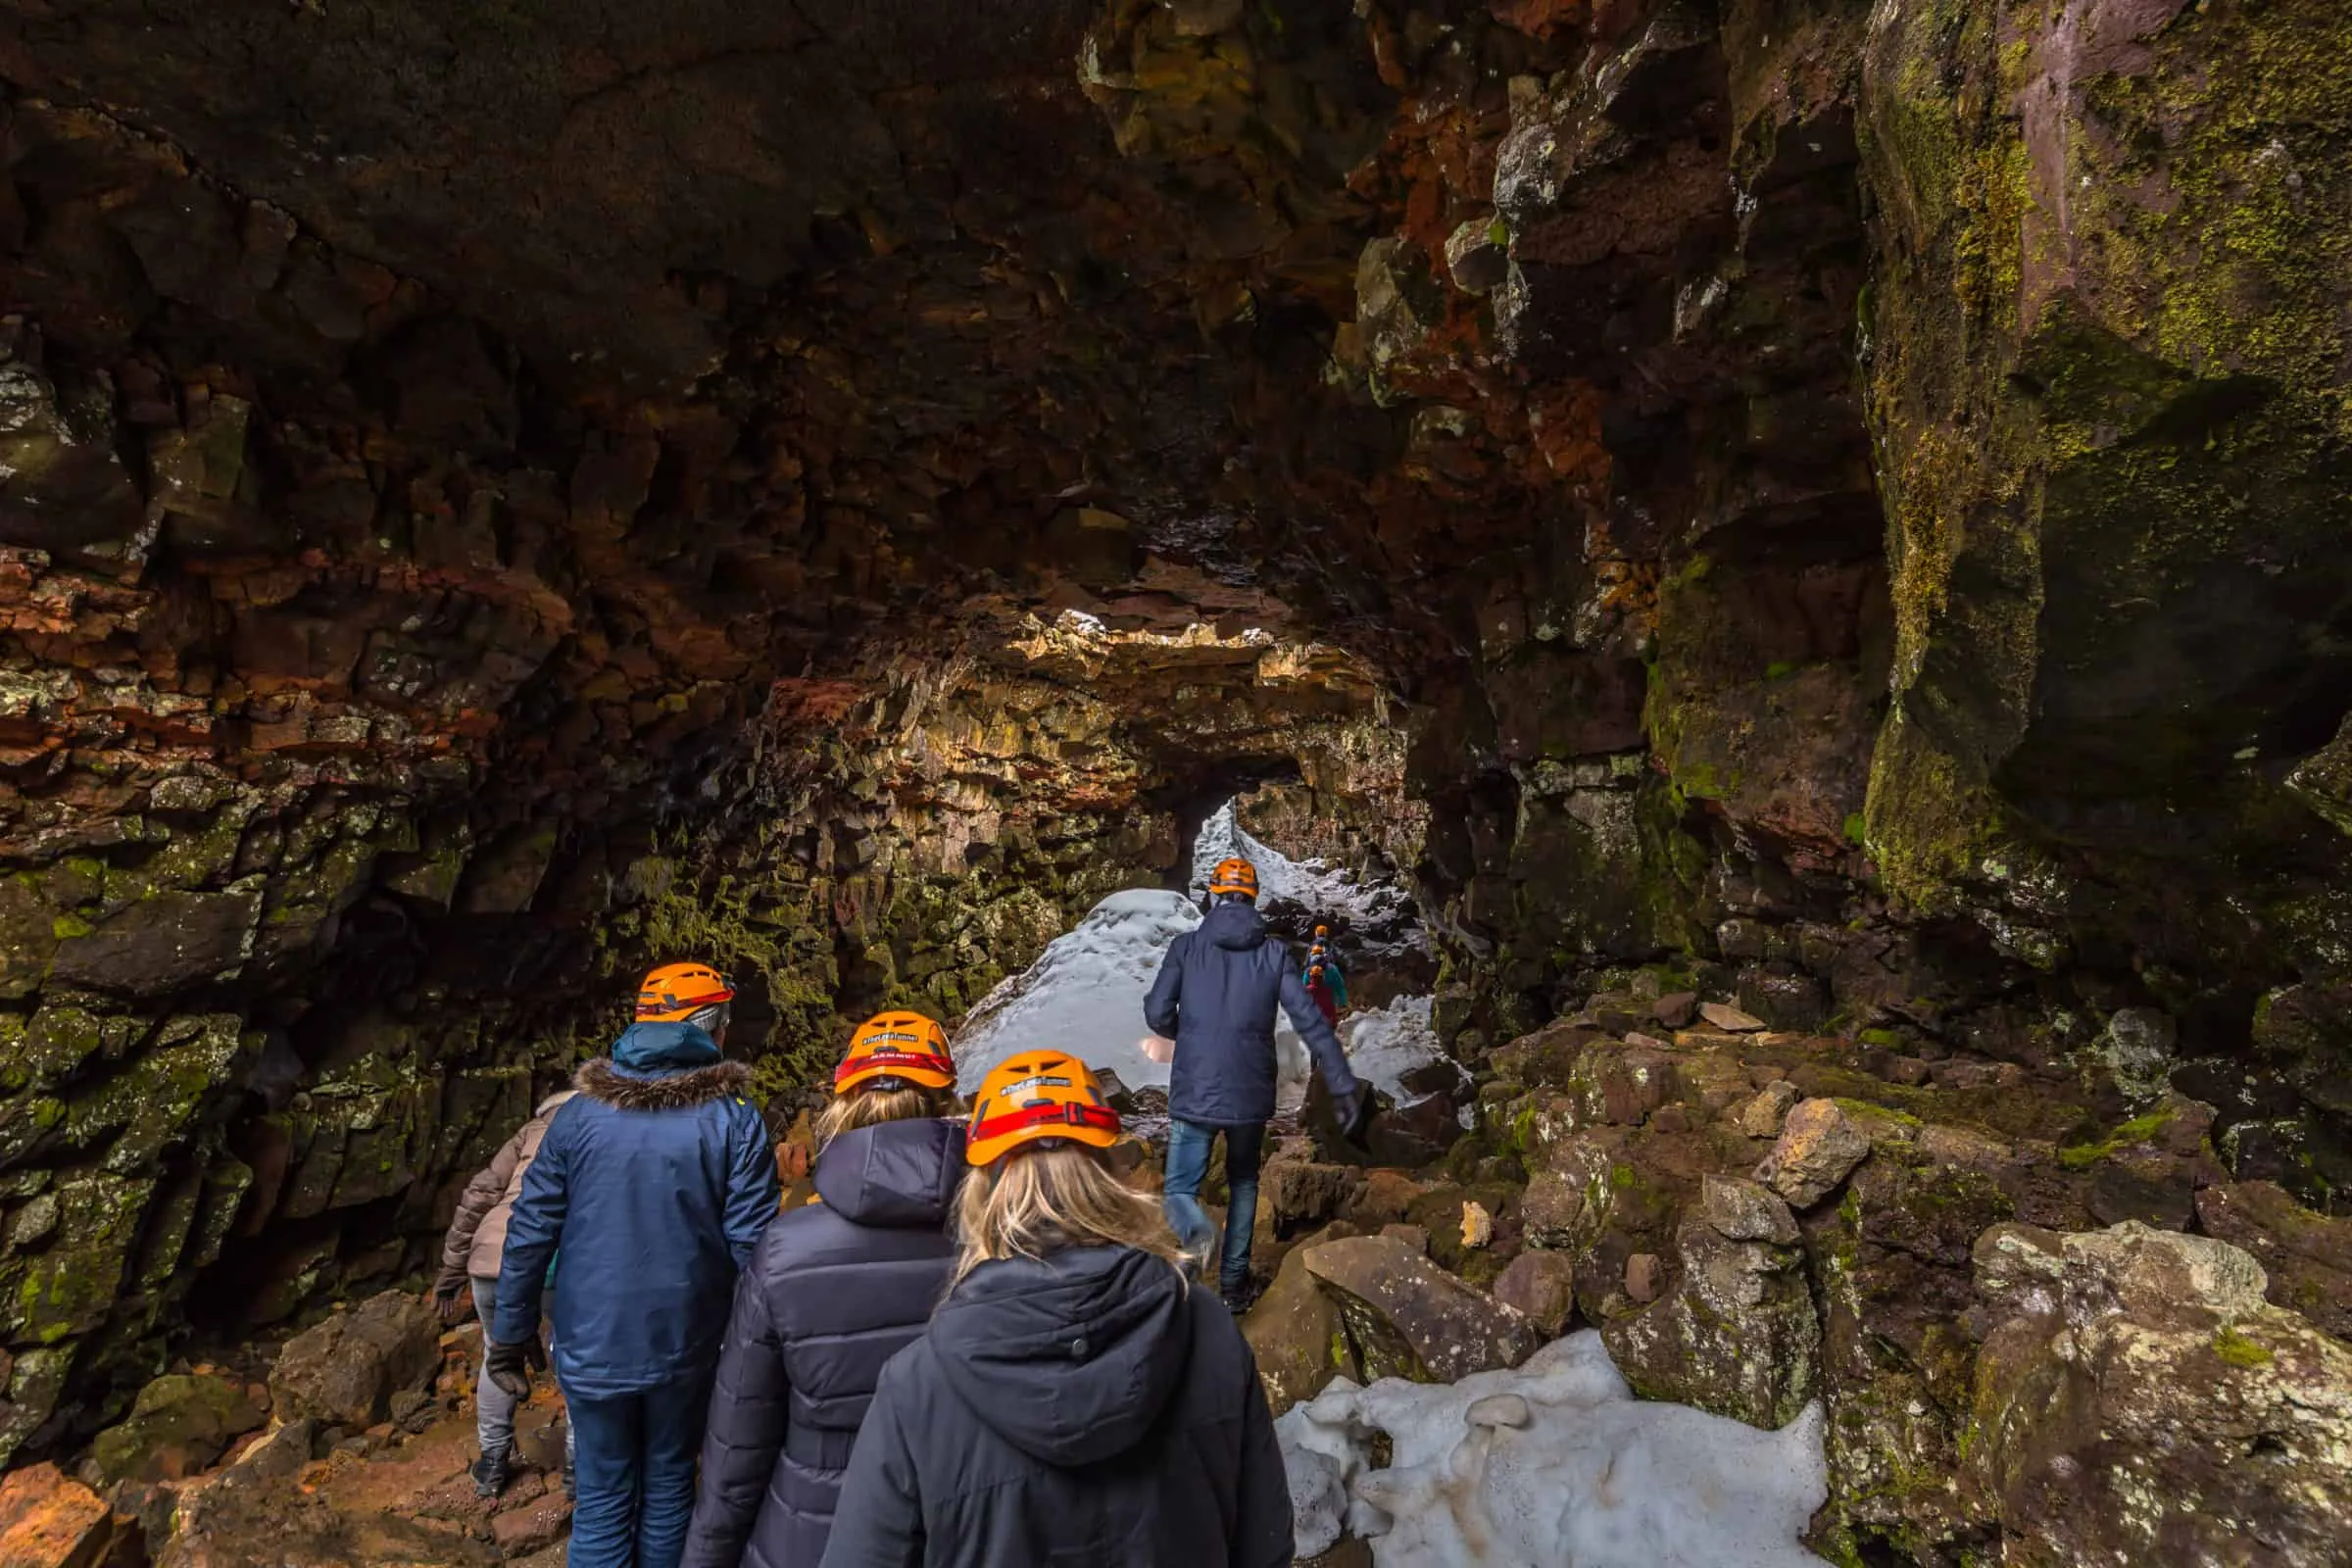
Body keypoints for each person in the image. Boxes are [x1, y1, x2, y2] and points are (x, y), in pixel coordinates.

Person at [817, 1050, 1295, 1568]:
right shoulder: (1207, 1329)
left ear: (982, 1190)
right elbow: (1264, 1542)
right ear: (1110, 1174)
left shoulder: (917, 1383)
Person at [489, 961, 781, 1568]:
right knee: (672, 1484)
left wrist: (509, 1336)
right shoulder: (735, 1121)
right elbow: (755, 1251)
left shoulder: (577, 1117)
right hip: (687, 1344)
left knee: (601, 1498)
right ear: (713, 1026)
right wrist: (769, 1349)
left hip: (591, 1343)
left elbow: (530, 1231)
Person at [681, 1011, 964, 1568]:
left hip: (811, 1531)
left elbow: (738, 1443)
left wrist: (705, 1556)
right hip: (956, 1521)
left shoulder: (785, 1249)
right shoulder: (997, 1240)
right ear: (946, 1100)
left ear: (841, 1101)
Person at [1145, 856, 1371, 1310]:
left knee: (1180, 1190)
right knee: (1244, 1180)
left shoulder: (1186, 949)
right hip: (1249, 1091)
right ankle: (1233, 1287)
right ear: (1253, 899)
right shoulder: (1272, 954)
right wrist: (1341, 1081)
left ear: (1211, 896)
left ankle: (1198, 1237)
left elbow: (1156, 1013)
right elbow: (1308, 1019)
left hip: (1195, 1088)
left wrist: (1185, 1035)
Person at [434, 1087, 579, 1497]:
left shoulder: (528, 1132)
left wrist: (452, 1269)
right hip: (553, 1262)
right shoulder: (601, 1129)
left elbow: (479, 1196)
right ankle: (577, 1469)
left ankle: (492, 1464)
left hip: (491, 1259)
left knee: (498, 1354)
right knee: (574, 1358)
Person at [1302, 925, 1348, 1030]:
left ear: (1316, 933)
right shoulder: (1332, 966)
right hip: (1330, 994)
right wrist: (1343, 1003)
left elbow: (1304, 988)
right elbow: (1340, 987)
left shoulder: (1309, 968)